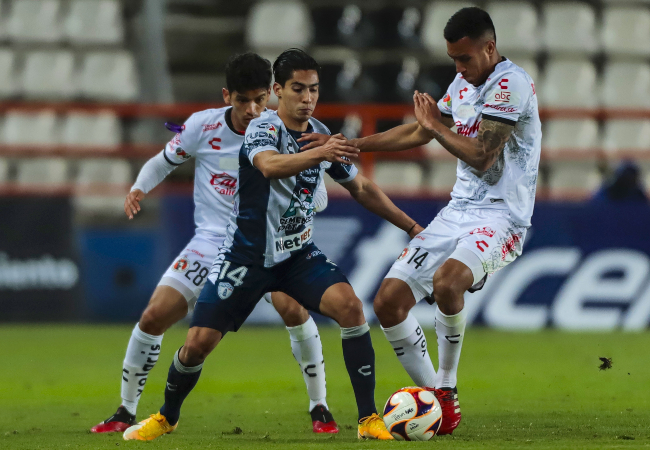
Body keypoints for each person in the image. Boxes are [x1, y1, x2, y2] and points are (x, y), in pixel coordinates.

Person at [124, 48, 425, 442]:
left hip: (296, 255)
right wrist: (322, 152)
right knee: (197, 344)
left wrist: (412, 226)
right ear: (277, 91)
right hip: (245, 255)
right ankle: (166, 416)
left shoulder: (319, 132)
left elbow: (362, 187)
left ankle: (368, 419)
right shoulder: (261, 129)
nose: (307, 98)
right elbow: (268, 165)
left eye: (314, 90)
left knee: (351, 308)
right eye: (297, 89)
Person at [302, 6, 541, 436]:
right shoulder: (463, 83)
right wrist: (350, 145)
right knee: (388, 301)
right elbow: (420, 131)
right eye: (453, 59)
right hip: (457, 211)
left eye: (465, 58)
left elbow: (483, 156)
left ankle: (445, 393)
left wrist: (434, 126)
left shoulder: (511, 84)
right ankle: (433, 399)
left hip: (502, 217)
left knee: (448, 282)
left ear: (490, 48)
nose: (458, 67)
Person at [91, 52, 339, 435]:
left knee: (295, 311)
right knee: (154, 316)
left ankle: (319, 406)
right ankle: (125, 410)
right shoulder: (201, 127)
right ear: (228, 96)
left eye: (260, 99)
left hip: (265, 243)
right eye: (243, 100)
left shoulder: (286, 132)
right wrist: (139, 188)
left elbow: (317, 193)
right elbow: (163, 161)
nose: (253, 109)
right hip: (210, 241)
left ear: (270, 96)